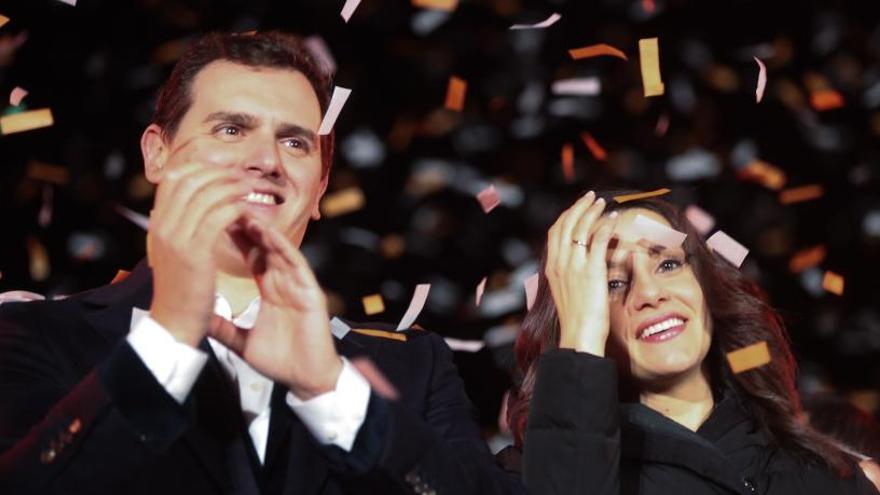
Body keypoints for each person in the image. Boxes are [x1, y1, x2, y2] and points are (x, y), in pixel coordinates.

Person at [0, 31, 523, 495]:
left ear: (319, 187)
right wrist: (168, 338)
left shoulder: (410, 367)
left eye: (294, 142)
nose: (266, 161)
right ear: (157, 153)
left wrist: (329, 390)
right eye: (230, 130)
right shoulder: (34, 335)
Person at [500, 190, 879, 494]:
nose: (650, 293)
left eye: (668, 264)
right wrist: (578, 344)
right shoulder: (518, 476)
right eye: (613, 283)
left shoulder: (829, 475)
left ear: (707, 289)